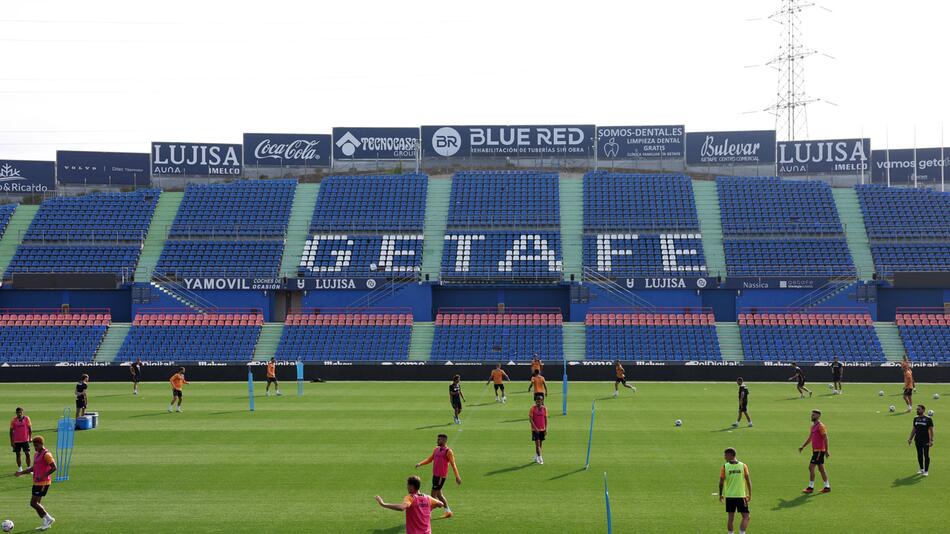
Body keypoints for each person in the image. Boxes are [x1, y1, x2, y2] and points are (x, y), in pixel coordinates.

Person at [374, 475, 443, 534]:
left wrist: (383, 504)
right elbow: (441, 504)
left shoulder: (410, 498)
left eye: (408, 485)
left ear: (412, 486)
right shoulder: (428, 498)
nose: (407, 487)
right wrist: (429, 509)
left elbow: (401, 508)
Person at [14, 435, 56, 531]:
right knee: (37, 504)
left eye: (37, 445)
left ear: (41, 444)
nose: (35, 448)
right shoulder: (36, 454)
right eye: (34, 446)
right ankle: (45, 522)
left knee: (33, 503)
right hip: (36, 482)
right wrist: (21, 473)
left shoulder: (47, 454)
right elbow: (34, 468)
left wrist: (43, 476)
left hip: (43, 483)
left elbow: (54, 467)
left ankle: (49, 518)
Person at [415, 434, 461, 519]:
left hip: (440, 477)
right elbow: (430, 459)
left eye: (439, 440)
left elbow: (453, 464)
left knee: (433, 496)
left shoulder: (448, 451)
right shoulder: (436, 449)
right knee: (439, 495)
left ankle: (426, 514)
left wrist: (457, 476)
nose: (437, 441)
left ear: (444, 441)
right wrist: (420, 463)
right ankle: (448, 511)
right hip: (435, 475)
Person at [718, 447, 751, 534]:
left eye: (725, 455)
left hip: (729, 496)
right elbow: (748, 481)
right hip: (741, 496)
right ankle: (742, 533)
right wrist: (750, 494)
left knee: (730, 518)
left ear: (730, 455)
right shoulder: (743, 466)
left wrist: (720, 494)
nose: (724, 457)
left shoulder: (725, 467)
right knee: (746, 516)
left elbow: (721, 482)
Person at [798, 409, 830, 493]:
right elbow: (810, 438)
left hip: (819, 451)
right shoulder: (813, 426)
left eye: (814, 415)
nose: (812, 416)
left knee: (811, 467)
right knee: (821, 468)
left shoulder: (821, 426)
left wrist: (826, 451)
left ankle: (810, 487)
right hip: (816, 451)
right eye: (812, 415)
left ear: (818, 416)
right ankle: (827, 486)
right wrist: (803, 446)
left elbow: (826, 438)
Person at [908, 404, 934, 476]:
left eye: (919, 409)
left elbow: (931, 430)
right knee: (919, 455)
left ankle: (926, 471)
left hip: (926, 440)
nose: (917, 410)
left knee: (926, 455)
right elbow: (914, 429)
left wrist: (931, 440)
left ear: (923, 410)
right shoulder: (915, 418)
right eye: (917, 409)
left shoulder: (928, 419)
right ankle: (921, 469)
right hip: (918, 439)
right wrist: (910, 438)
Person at [10, 407, 32, 472]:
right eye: (18, 412)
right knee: (18, 454)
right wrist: (12, 441)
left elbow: (30, 429)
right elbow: (11, 431)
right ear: (16, 413)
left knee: (27, 453)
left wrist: (30, 437)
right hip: (16, 441)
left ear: (22, 412)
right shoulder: (13, 420)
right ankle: (20, 468)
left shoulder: (27, 419)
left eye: (20, 412)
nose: (19, 414)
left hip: (25, 440)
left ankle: (28, 468)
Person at [529, 396, 547, 464]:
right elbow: (530, 419)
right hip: (535, 430)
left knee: (540, 445)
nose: (538, 402)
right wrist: (535, 428)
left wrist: (546, 429)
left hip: (542, 429)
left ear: (542, 401)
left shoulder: (544, 408)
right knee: (538, 445)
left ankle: (536, 457)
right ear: (535, 401)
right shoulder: (532, 408)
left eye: (540, 401)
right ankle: (540, 458)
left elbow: (545, 419)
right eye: (537, 401)